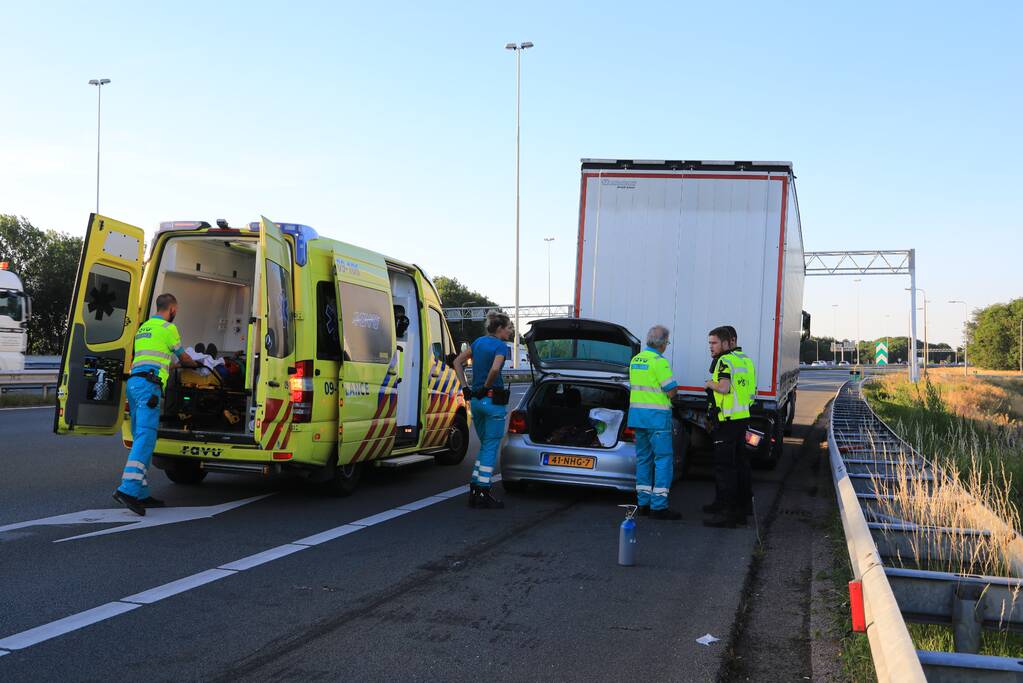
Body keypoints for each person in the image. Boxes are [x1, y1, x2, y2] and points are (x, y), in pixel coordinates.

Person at [112, 293, 198, 516]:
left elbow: (155, 361)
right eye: (175, 310)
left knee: (141, 435)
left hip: (135, 383)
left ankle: (141, 492)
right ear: (171, 309)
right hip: (149, 387)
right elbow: (184, 357)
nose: (175, 313)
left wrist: (174, 367)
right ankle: (127, 490)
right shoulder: (169, 329)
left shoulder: (144, 328)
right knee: (146, 437)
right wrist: (191, 363)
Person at [453, 311, 514, 509]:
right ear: (499, 329)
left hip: (476, 403)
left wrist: (466, 387)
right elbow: (495, 369)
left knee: (485, 445)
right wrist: (487, 387)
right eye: (509, 328)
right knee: (490, 446)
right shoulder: (500, 346)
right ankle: (483, 491)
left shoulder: (478, 342)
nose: (511, 331)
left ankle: (474, 488)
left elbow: (456, 362)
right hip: (492, 401)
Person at [703, 326, 756, 528]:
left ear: (727, 342)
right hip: (742, 418)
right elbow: (751, 391)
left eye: (714, 343)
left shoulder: (725, 361)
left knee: (724, 468)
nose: (711, 347)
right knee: (741, 464)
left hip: (727, 421)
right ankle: (742, 508)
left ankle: (728, 514)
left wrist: (709, 384)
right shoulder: (745, 360)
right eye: (709, 343)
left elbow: (724, 388)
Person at [627, 325, 681, 520]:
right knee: (663, 460)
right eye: (667, 342)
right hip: (657, 420)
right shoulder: (660, 362)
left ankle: (643, 504)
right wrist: (675, 396)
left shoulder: (636, 360)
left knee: (643, 459)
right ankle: (659, 506)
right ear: (663, 343)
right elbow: (671, 390)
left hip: (638, 418)